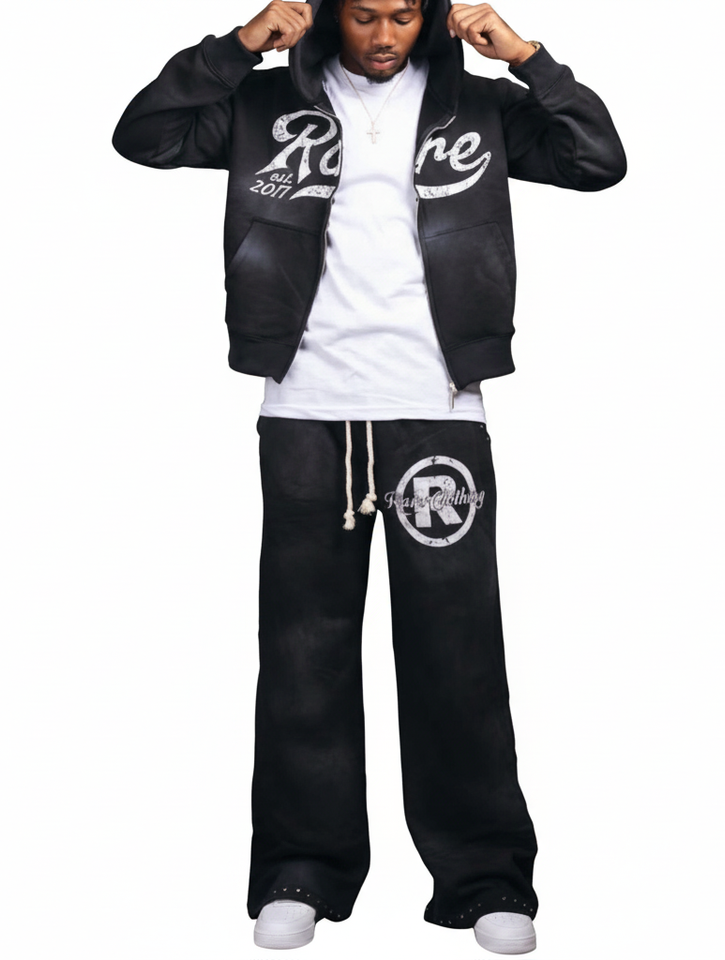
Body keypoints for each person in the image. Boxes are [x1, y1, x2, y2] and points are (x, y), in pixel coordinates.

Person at [112, 0, 625, 953]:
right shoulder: (264, 106)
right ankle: (300, 870)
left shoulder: (476, 109)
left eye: (401, 15)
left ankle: (485, 878)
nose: (383, 36)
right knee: (302, 654)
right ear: (325, 14)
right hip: (305, 410)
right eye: (362, 16)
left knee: (457, 656)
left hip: (438, 408)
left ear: (428, 15)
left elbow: (597, 160)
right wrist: (238, 47)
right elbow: (144, 134)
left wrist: (527, 57)